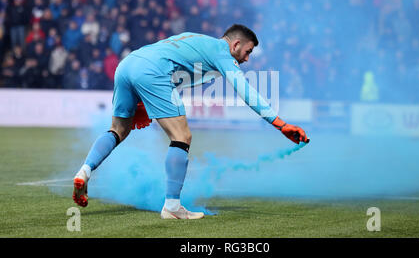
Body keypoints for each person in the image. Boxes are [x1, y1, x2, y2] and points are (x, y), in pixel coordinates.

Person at [72, 24, 309, 219]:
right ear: (235, 45)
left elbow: (172, 66)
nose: (247, 59)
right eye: (247, 52)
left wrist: (143, 100)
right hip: (151, 71)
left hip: (128, 64)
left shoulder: (194, 39)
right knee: (182, 137)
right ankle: (172, 207)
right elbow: (245, 91)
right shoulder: (222, 54)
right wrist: (279, 123)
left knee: (118, 130)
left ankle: (85, 171)